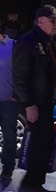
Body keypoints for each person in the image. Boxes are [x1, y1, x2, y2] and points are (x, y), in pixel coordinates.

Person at [12, 5, 56, 192]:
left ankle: (36, 183)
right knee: (37, 143)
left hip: (46, 101)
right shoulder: (28, 42)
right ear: (40, 21)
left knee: (43, 143)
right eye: (52, 20)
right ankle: (30, 184)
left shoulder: (47, 42)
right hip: (36, 102)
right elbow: (20, 76)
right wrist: (28, 104)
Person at [0, 21, 19, 182]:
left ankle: (7, 169)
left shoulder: (13, 45)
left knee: (9, 136)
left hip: (8, 100)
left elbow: (22, 71)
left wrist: (16, 94)